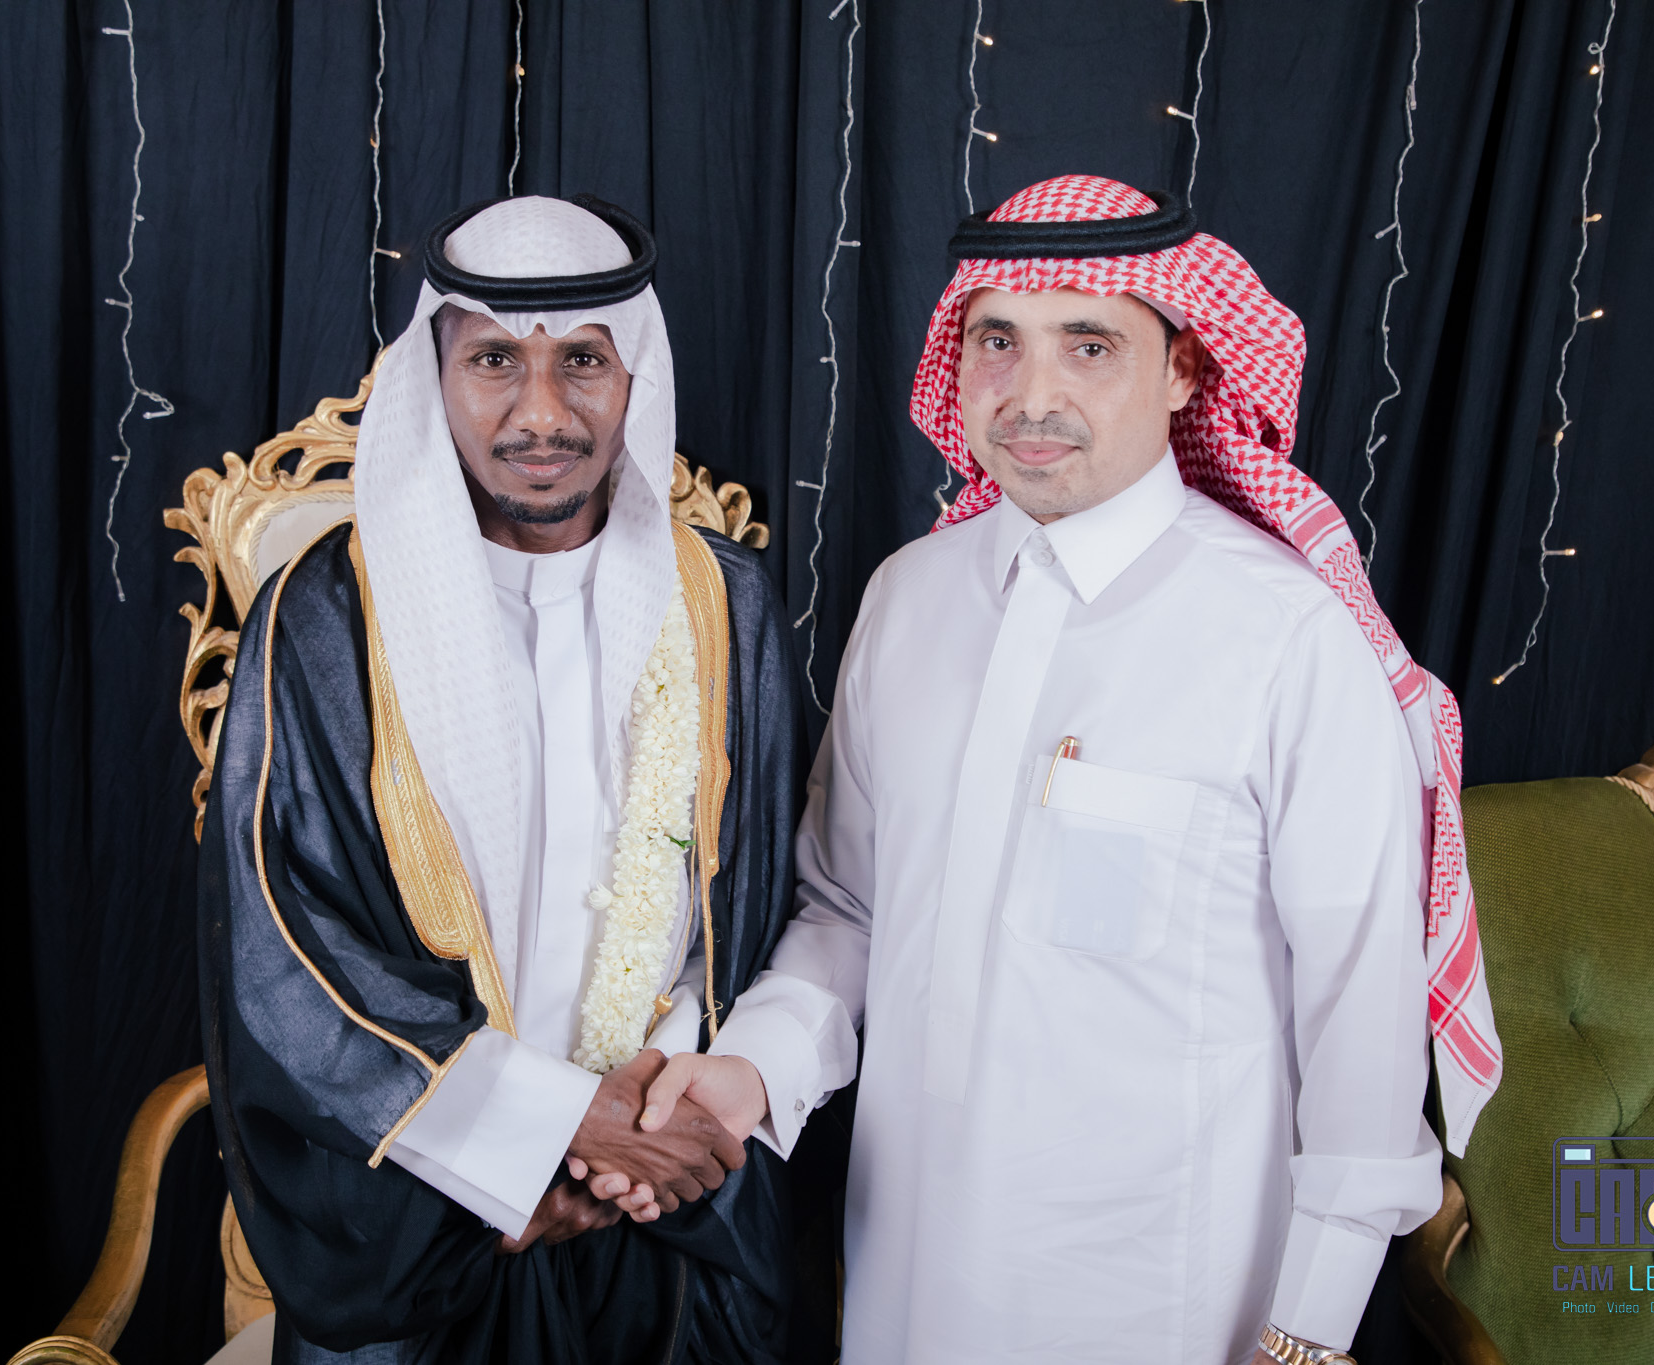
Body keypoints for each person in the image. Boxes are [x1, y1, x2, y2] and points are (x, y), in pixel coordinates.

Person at [629, 175, 1504, 1363]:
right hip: (905, 1268)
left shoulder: (1285, 637)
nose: (1032, 395)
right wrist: (752, 1069)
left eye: (1087, 345)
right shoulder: (909, 598)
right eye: (997, 341)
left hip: (1167, 1291)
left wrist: (1306, 1330)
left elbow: (1358, 1010)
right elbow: (850, 909)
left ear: (1183, 369)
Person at [198, 193, 802, 1364]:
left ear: (633, 377)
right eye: (492, 361)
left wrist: (639, 1127)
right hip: (424, 1213)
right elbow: (280, 947)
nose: (541, 413)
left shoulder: (722, 603)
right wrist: (534, 1138)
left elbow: (756, 904)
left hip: (663, 1200)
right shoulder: (324, 615)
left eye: (583, 360)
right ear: (433, 377)